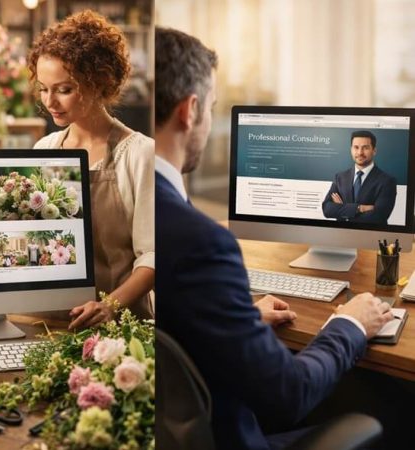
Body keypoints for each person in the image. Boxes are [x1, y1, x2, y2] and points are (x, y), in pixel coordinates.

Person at [155, 28, 394, 449]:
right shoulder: (201, 242)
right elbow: (289, 395)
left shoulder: (126, 204)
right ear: (189, 110)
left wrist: (236, 319)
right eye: (212, 108)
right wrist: (351, 322)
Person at [29, 10, 154, 329]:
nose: (50, 102)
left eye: (64, 89)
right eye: (44, 88)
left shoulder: (138, 155)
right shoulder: (44, 150)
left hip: (122, 324)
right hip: (52, 321)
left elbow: (153, 258)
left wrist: (109, 306)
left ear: (100, 83)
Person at [322, 130, 397, 224]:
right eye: (356, 147)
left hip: (371, 235)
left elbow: (379, 216)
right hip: (342, 235)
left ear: (374, 150)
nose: (360, 152)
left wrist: (342, 209)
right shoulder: (340, 177)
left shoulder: (387, 181)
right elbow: (327, 209)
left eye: (365, 148)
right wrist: (359, 208)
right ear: (351, 149)